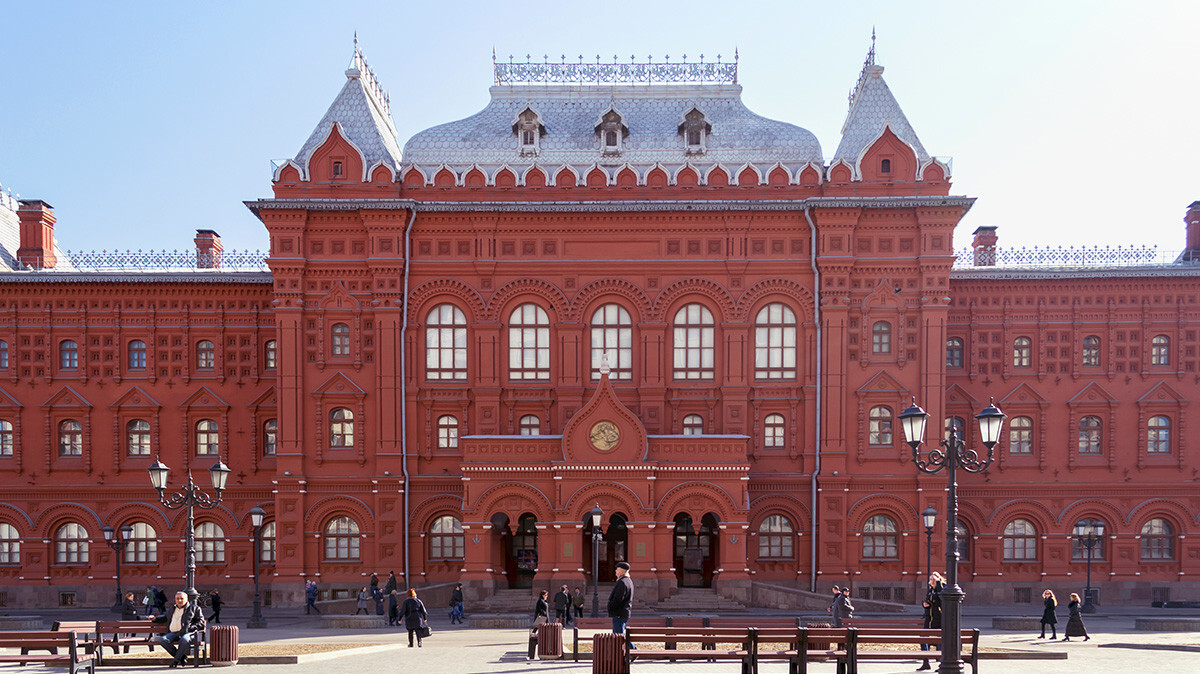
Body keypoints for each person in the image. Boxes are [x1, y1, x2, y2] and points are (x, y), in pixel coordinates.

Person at [151, 591, 206, 668]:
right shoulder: (172, 608)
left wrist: (190, 628)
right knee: (162, 640)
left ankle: (176, 661)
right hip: (174, 633)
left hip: (188, 633)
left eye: (182, 598)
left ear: (186, 599)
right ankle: (182, 657)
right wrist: (155, 619)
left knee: (184, 640)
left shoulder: (194, 608)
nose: (179, 600)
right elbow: (165, 618)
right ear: (175, 599)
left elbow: (201, 622)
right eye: (177, 598)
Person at [917, 572, 944, 671]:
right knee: (923, 638)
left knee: (940, 641)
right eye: (930, 579)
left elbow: (942, 597)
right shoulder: (930, 590)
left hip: (939, 619)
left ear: (938, 579)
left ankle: (941, 665)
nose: (931, 581)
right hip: (929, 620)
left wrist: (938, 583)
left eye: (934, 579)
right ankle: (926, 662)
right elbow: (928, 601)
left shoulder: (943, 588)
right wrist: (924, 604)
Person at [606, 561, 634, 636]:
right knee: (618, 635)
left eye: (617, 569)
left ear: (622, 571)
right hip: (622, 613)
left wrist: (610, 605)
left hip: (619, 614)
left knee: (619, 636)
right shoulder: (628, 581)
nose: (615, 571)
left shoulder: (622, 582)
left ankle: (633, 648)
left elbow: (618, 599)